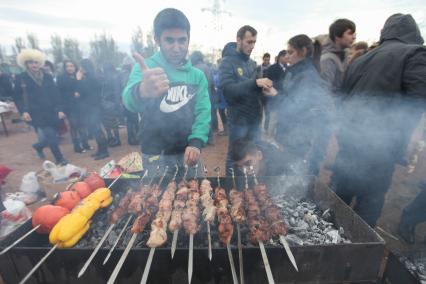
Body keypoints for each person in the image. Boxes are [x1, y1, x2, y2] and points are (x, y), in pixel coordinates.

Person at [331, 14, 426, 227]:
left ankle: (329, 238)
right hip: (379, 152)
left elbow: (341, 101)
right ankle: (356, 251)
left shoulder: (362, 58)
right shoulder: (415, 53)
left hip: (349, 145)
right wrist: (415, 140)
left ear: (386, 32)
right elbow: (420, 100)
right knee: (369, 205)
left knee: (338, 201)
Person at [122, 8, 211, 177]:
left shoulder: (197, 76)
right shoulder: (146, 68)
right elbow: (128, 102)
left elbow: (203, 112)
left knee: (195, 195)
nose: (177, 48)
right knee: (155, 201)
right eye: (169, 40)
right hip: (155, 155)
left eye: (182, 40)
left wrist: (196, 142)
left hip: (189, 152)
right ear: (157, 39)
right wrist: (141, 91)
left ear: (188, 40)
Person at [219, 26, 276, 176]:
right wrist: (255, 83)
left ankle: (251, 186)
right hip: (238, 120)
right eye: (249, 42)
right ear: (239, 40)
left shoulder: (252, 64)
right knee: (235, 156)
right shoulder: (227, 62)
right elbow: (228, 91)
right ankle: (231, 187)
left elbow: (256, 91)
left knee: (254, 154)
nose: (252, 46)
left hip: (255, 119)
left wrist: (267, 93)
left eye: (254, 42)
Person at [276, 35, 333, 176]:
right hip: (289, 132)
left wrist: (275, 94)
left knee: (295, 175)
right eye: (287, 52)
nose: (287, 56)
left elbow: (296, 107)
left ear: (303, 51)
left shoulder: (308, 75)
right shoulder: (294, 71)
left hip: (298, 135)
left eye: (291, 52)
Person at [14, 49, 68, 165]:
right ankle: (60, 159)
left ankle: (38, 146)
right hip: (35, 113)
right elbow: (17, 97)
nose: (34, 65)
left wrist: (60, 109)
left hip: (51, 111)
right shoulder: (21, 78)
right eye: (31, 62)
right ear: (26, 64)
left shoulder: (48, 76)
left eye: (36, 62)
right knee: (51, 136)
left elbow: (56, 94)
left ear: (40, 63)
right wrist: (23, 112)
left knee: (49, 136)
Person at [77, 59, 109, 160]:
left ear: (86, 67)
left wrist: (78, 80)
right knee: (96, 130)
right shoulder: (90, 77)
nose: (80, 68)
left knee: (97, 130)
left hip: (94, 107)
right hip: (92, 107)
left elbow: (83, 92)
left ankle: (104, 151)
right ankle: (100, 150)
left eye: (81, 66)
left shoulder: (91, 78)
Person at [57, 60, 90, 153]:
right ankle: (76, 146)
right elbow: (60, 93)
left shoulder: (79, 76)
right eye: (67, 66)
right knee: (74, 126)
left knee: (83, 125)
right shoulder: (61, 78)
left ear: (75, 67)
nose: (70, 68)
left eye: (71, 66)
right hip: (69, 106)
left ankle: (85, 143)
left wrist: (79, 83)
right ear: (65, 68)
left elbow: (84, 89)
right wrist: (73, 94)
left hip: (81, 105)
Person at [320, 18, 356, 95]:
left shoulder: (344, 55)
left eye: (354, 34)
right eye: (350, 33)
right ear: (337, 36)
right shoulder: (327, 59)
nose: (354, 37)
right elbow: (323, 92)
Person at [190, 50, 216, 145]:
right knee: (208, 116)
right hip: (209, 94)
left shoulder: (193, 69)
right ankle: (211, 138)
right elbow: (213, 82)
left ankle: (200, 139)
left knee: (198, 117)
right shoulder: (207, 67)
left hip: (197, 96)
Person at [264, 50, 288, 137]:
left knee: (282, 121)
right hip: (274, 99)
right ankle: (270, 139)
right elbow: (268, 84)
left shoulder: (289, 68)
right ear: (280, 57)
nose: (287, 58)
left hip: (285, 100)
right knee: (273, 120)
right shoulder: (272, 68)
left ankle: (279, 139)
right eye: (286, 57)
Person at [119, 56, 140, 145]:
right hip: (130, 100)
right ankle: (134, 139)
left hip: (125, 100)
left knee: (130, 120)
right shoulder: (130, 75)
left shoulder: (122, 74)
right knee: (133, 120)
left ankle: (133, 138)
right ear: (131, 64)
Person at [100, 62, 122, 147]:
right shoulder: (113, 76)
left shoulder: (109, 77)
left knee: (109, 122)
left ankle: (113, 139)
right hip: (112, 102)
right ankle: (115, 139)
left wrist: (116, 103)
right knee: (113, 122)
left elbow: (115, 91)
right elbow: (117, 91)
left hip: (108, 102)